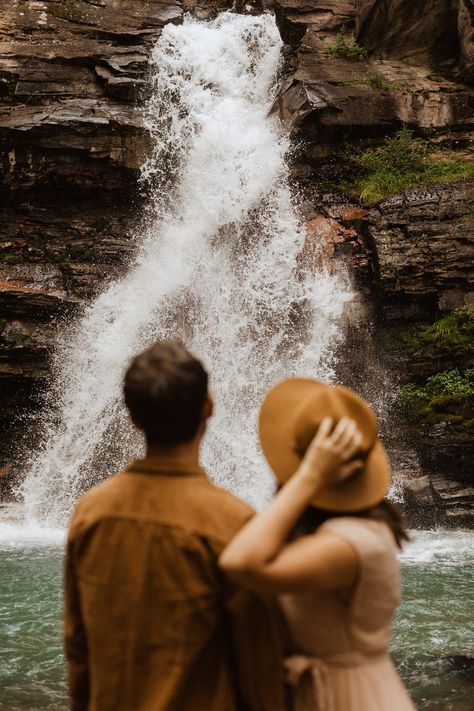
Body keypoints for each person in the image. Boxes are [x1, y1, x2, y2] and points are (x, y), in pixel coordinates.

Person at [64, 340, 288, 711]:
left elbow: (77, 645)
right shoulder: (234, 523)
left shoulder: (91, 511)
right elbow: (259, 663)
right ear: (209, 408)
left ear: (132, 417)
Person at [220, 377, 416, 710]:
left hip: (351, 699)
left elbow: (240, 562)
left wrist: (309, 476)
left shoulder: (351, 542)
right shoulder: (344, 532)